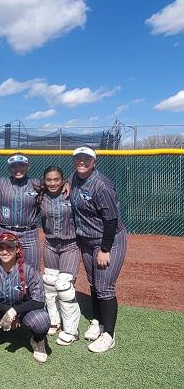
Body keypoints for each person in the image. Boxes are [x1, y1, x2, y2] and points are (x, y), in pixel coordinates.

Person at [70, 146, 127, 353]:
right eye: (78, 158)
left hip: (108, 240)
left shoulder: (101, 185)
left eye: (87, 158)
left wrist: (105, 249)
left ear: (94, 162)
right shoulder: (74, 178)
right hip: (87, 240)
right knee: (94, 284)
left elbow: (111, 220)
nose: (82, 161)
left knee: (105, 287)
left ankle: (109, 335)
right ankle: (98, 321)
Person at [0, 233, 50, 363]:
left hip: (24, 313)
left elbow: (39, 301)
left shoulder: (29, 270)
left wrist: (16, 311)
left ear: (17, 249)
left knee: (42, 321)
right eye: (0, 248)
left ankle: (37, 340)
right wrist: (7, 310)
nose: (4, 251)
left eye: (9, 248)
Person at [40, 166, 81, 346]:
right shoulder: (41, 196)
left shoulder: (71, 193)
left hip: (70, 244)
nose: (53, 183)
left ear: (63, 179)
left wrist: (70, 183)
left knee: (64, 286)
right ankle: (54, 320)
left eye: (56, 179)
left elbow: (79, 179)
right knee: (49, 284)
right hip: (50, 244)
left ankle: (72, 330)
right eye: (49, 180)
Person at [0, 153, 41, 271]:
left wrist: (66, 183)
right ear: (9, 168)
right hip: (6, 231)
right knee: (5, 269)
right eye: (14, 166)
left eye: (21, 165)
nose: (18, 169)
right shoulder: (0, 183)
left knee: (33, 270)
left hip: (29, 234)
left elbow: (55, 185)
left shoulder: (36, 183)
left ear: (28, 167)